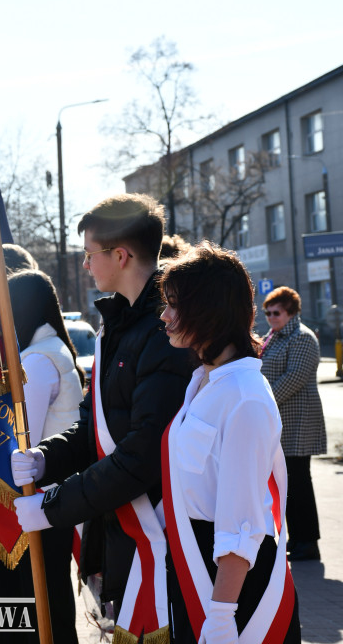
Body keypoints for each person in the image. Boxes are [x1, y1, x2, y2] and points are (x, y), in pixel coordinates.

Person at [12, 193, 192, 643]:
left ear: (121, 254)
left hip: (161, 530)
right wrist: (44, 459)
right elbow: (96, 423)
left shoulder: (164, 329)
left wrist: (53, 506)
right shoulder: (117, 324)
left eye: (90, 255)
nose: (87, 266)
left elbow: (141, 453)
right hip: (122, 528)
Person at [160, 241, 300, 644]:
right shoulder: (206, 380)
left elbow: (241, 523)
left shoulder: (244, 396)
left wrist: (221, 616)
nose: (164, 316)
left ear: (209, 310)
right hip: (197, 563)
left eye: (174, 305)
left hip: (233, 588)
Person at [0, 270, 84, 644]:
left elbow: (18, 435)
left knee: (36, 610)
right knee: (50, 603)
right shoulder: (50, 349)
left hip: (38, 500)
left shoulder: (37, 360)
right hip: (50, 499)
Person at [261, 286, 326, 562]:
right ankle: (297, 539)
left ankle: (309, 542)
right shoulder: (273, 337)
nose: (271, 318)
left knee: (300, 482)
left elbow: (293, 378)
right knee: (287, 485)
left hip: (299, 421)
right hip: (281, 422)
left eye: (277, 313)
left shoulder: (302, 338)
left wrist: (260, 401)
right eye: (267, 313)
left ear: (291, 312)